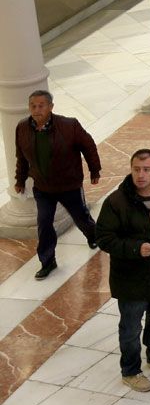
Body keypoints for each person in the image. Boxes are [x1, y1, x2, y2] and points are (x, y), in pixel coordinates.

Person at [94, 149, 150, 393]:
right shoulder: (117, 201)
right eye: (136, 169)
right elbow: (104, 238)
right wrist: (136, 248)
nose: (141, 175)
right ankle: (131, 370)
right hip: (131, 277)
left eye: (146, 169)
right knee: (131, 327)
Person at [14, 89, 100, 280]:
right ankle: (47, 261)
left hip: (69, 185)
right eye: (33, 106)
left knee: (81, 217)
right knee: (44, 223)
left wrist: (95, 170)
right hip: (43, 188)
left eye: (41, 106)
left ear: (51, 107)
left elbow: (88, 146)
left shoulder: (69, 125)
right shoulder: (22, 128)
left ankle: (93, 236)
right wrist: (19, 180)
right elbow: (21, 158)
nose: (36, 110)